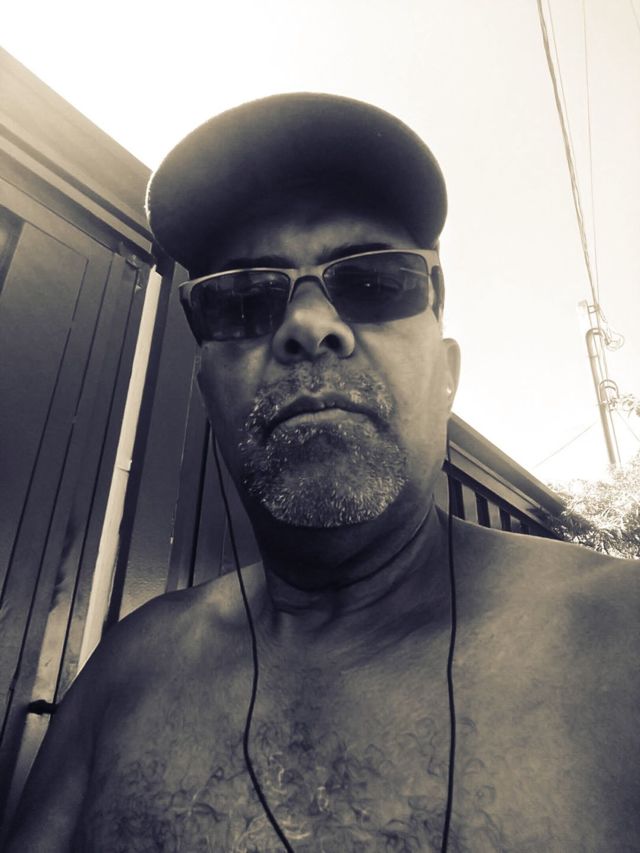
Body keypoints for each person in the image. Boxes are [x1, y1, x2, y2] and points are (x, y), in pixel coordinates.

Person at [6, 93, 638, 853]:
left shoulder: (620, 638)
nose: (309, 325)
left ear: (447, 375)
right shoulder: (124, 679)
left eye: (375, 283)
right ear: (206, 388)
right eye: (243, 300)